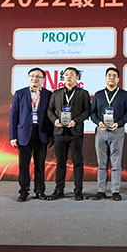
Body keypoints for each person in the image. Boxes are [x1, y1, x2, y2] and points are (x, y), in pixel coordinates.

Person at [46, 67, 91, 201]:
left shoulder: (83, 93)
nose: (68, 77)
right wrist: (55, 120)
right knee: (60, 162)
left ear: (77, 77)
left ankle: (78, 190)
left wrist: (76, 121)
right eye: (66, 74)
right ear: (63, 77)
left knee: (77, 162)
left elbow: (87, 111)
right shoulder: (56, 93)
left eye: (72, 74)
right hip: (59, 132)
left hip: (75, 132)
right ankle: (59, 190)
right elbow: (49, 110)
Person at [9, 67, 53, 202]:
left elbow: (51, 116)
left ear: (43, 79)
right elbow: (14, 116)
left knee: (40, 165)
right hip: (24, 134)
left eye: (38, 76)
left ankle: (40, 191)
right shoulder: (20, 93)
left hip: (41, 133)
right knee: (24, 165)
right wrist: (13, 136)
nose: (35, 79)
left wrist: (51, 135)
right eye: (32, 76)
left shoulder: (48, 94)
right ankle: (24, 191)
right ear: (29, 78)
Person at [90, 67, 127, 201]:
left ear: (118, 79)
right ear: (105, 78)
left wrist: (119, 123)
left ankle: (115, 190)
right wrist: (98, 122)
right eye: (109, 75)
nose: (111, 78)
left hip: (117, 131)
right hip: (101, 131)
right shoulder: (99, 95)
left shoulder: (124, 95)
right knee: (101, 163)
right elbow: (92, 113)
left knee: (116, 163)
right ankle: (101, 190)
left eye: (114, 76)